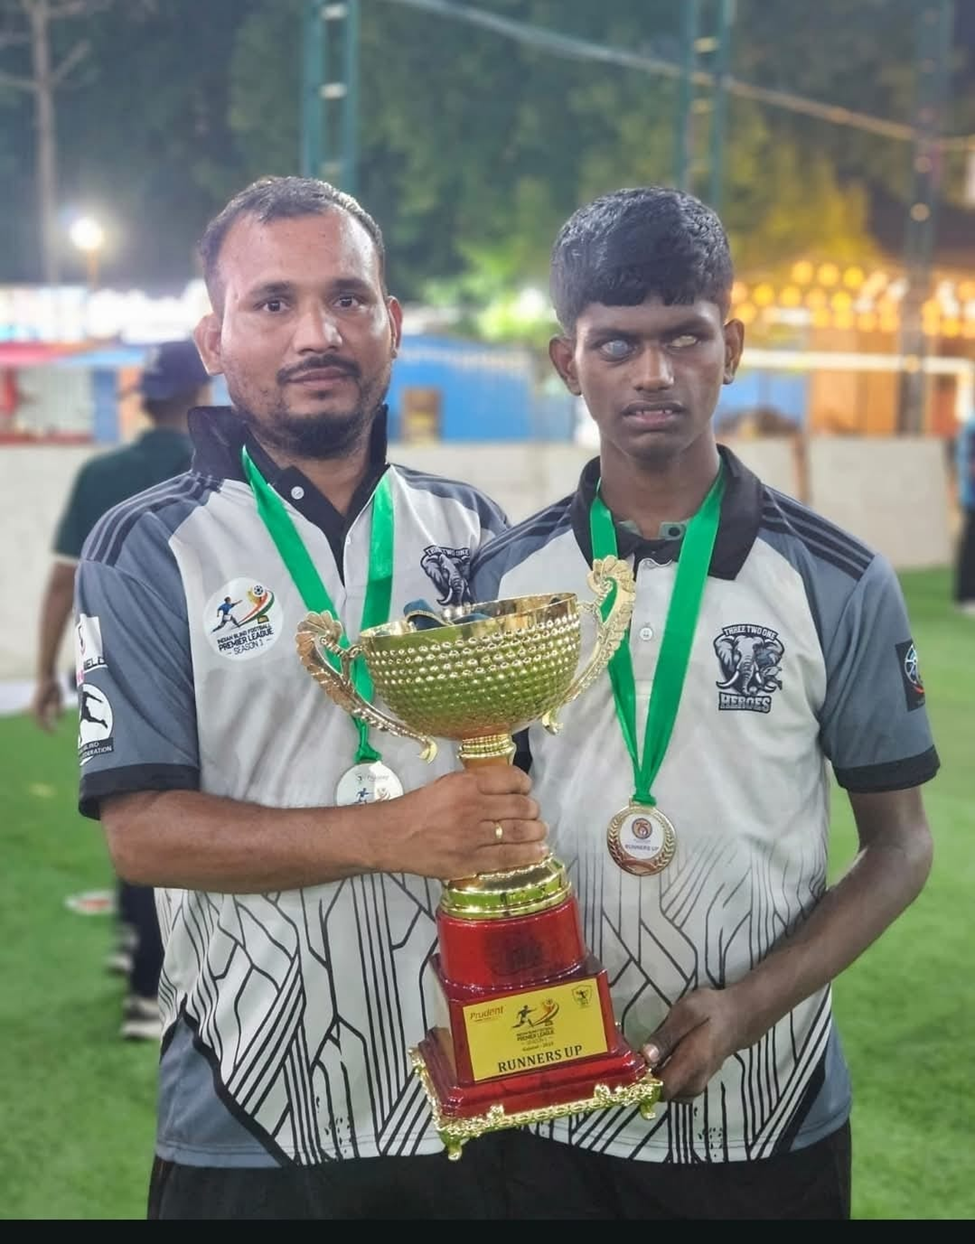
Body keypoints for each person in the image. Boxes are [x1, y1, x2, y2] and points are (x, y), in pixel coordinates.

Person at [73, 175, 548, 1220]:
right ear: (214, 339)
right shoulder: (148, 544)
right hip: (245, 1116)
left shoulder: (474, 529)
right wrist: (390, 834)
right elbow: (142, 835)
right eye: (273, 303)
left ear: (393, 324)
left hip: (471, 1094)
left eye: (346, 297)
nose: (316, 333)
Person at [469, 186, 938, 1219]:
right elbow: (475, 838)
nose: (653, 373)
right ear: (567, 363)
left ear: (730, 347)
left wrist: (749, 1006)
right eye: (616, 343)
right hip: (551, 1113)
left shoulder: (837, 579)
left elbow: (901, 845)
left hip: (768, 1112)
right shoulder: (501, 584)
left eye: (683, 336)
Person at [32, 337, 210, 1040]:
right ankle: (163, 973)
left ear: (145, 399)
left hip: (109, 666)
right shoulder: (227, 469)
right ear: (201, 394)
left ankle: (137, 968)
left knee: (129, 801)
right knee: (195, 818)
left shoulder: (102, 472)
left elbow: (62, 581)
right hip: (208, 670)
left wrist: (45, 672)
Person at [953, 408, 975, 614]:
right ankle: (966, 596)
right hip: (972, 498)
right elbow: (971, 466)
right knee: (971, 547)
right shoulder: (972, 426)